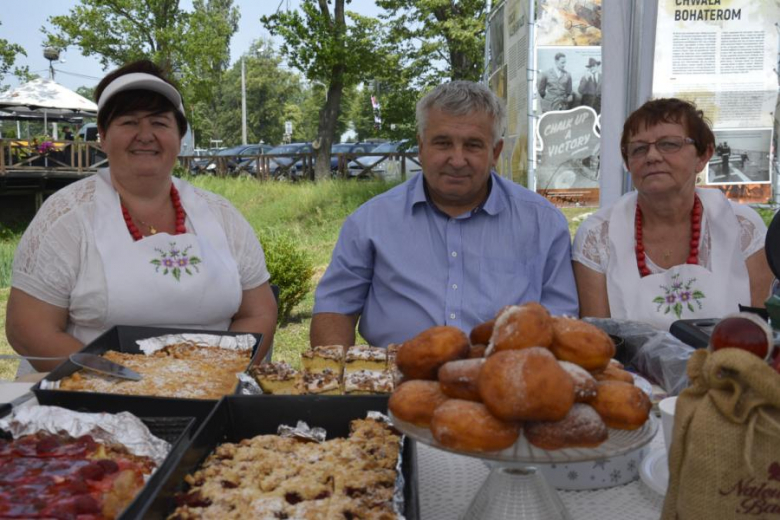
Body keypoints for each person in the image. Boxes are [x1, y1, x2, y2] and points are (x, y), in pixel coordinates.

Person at [6, 60, 278, 373]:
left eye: (160, 123)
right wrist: (129, 379)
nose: (145, 135)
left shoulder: (221, 215)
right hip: (93, 397)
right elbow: (28, 329)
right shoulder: (66, 216)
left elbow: (259, 311)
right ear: (103, 137)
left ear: (179, 138)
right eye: (129, 122)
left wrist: (220, 372)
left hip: (211, 392)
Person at [310, 81, 578, 348]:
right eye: (443, 143)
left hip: (506, 380)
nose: (457, 160)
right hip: (395, 382)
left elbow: (560, 325)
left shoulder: (542, 224)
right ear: (421, 147)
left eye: (473, 145)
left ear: (495, 152)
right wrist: (336, 376)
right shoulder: (369, 222)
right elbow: (334, 309)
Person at [572, 98, 773, 330]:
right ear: (627, 163)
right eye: (638, 149)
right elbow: (598, 341)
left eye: (669, 144)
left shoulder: (744, 228)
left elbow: (763, 331)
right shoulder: (597, 236)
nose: (652, 156)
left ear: (703, 155)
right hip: (626, 367)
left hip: (731, 364)